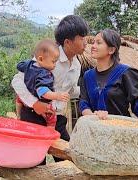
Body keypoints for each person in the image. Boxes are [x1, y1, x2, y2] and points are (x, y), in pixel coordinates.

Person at [11, 15, 89, 164]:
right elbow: (17, 81)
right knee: (35, 163)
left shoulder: (77, 65)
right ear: (67, 42)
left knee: (68, 161)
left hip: (57, 118)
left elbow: (70, 91)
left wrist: (91, 91)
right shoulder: (48, 58)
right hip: (34, 116)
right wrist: (35, 103)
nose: (86, 42)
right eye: (82, 37)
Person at [15, 39, 70, 128]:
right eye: (53, 61)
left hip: (26, 99)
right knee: (52, 117)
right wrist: (57, 96)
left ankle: (18, 115)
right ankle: (50, 131)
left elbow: (19, 65)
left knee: (18, 98)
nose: (55, 65)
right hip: (41, 102)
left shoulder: (29, 64)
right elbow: (42, 91)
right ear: (40, 59)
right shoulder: (45, 74)